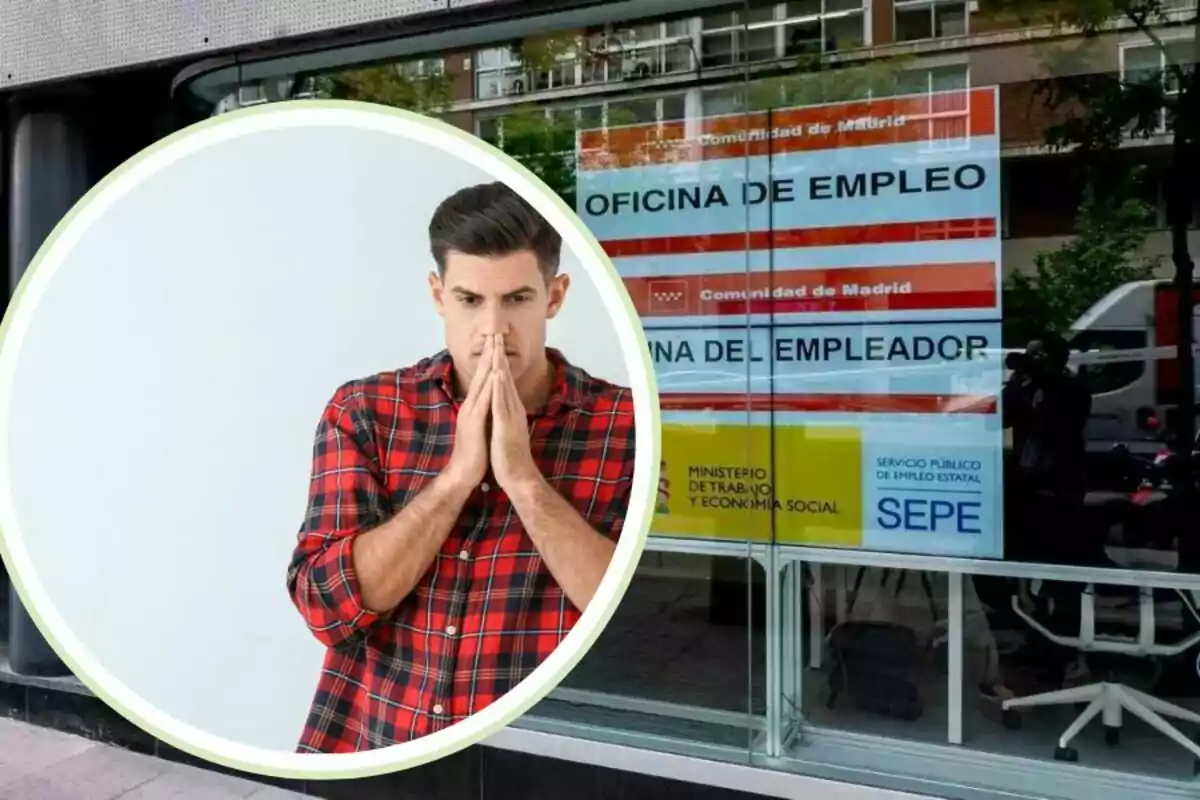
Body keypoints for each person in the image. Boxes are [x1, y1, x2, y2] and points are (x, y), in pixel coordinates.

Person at [286, 181, 637, 754]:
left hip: (540, 762)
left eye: (517, 299)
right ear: (438, 294)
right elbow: (326, 609)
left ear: (555, 295)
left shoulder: (627, 424)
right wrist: (455, 481)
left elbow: (634, 624)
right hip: (375, 751)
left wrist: (523, 479)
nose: (493, 329)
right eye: (471, 300)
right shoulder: (367, 411)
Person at [1001, 333, 1093, 564]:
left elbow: (1059, 425)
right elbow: (999, 419)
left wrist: (1042, 379)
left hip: (1060, 480)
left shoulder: (1073, 387)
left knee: (1058, 549)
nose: (1030, 360)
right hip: (1027, 477)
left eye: (1036, 355)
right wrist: (1016, 385)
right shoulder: (1026, 386)